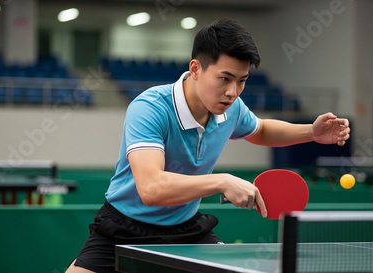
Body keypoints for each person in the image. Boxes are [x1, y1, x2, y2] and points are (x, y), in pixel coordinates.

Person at [66, 17, 350, 273]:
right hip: (123, 227)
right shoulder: (150, 108)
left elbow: (260, 129)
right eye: (225, 79)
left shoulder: (232, 109)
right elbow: (151, 188)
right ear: (196, 69)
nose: (233, 92)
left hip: (185, 229)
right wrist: (221, 181)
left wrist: (311, 133)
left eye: (242, 81)